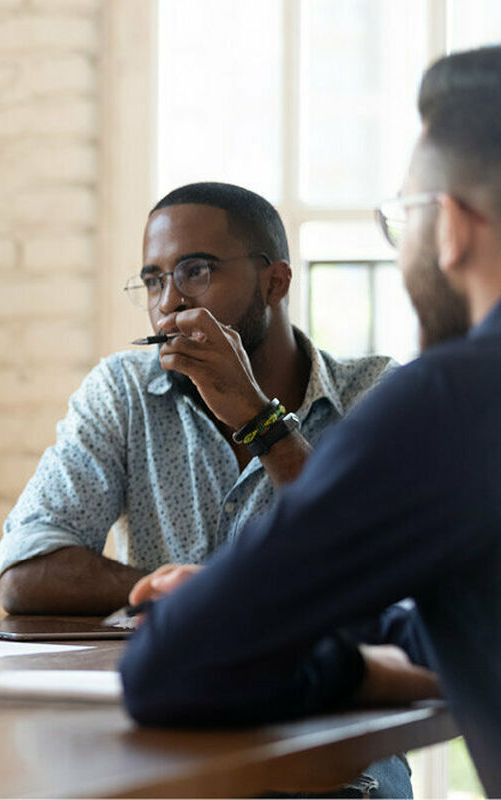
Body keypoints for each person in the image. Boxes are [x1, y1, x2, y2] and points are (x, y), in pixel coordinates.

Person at [119, 45, 501, 797]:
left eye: (405, 219)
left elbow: (169, 668)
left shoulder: (451, 403)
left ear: (451, 226)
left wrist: (240, 614)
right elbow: (457, 626)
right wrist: (264, 601)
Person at [0, 183, 394, 616]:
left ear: (274, 283)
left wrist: (259, 419)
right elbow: (24, 570)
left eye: (196, 271)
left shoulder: (376, 394)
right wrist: (194, 590)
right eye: (153, 281)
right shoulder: (123, 391)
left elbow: (382, 562)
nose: (168, 303)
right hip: (168, 679)